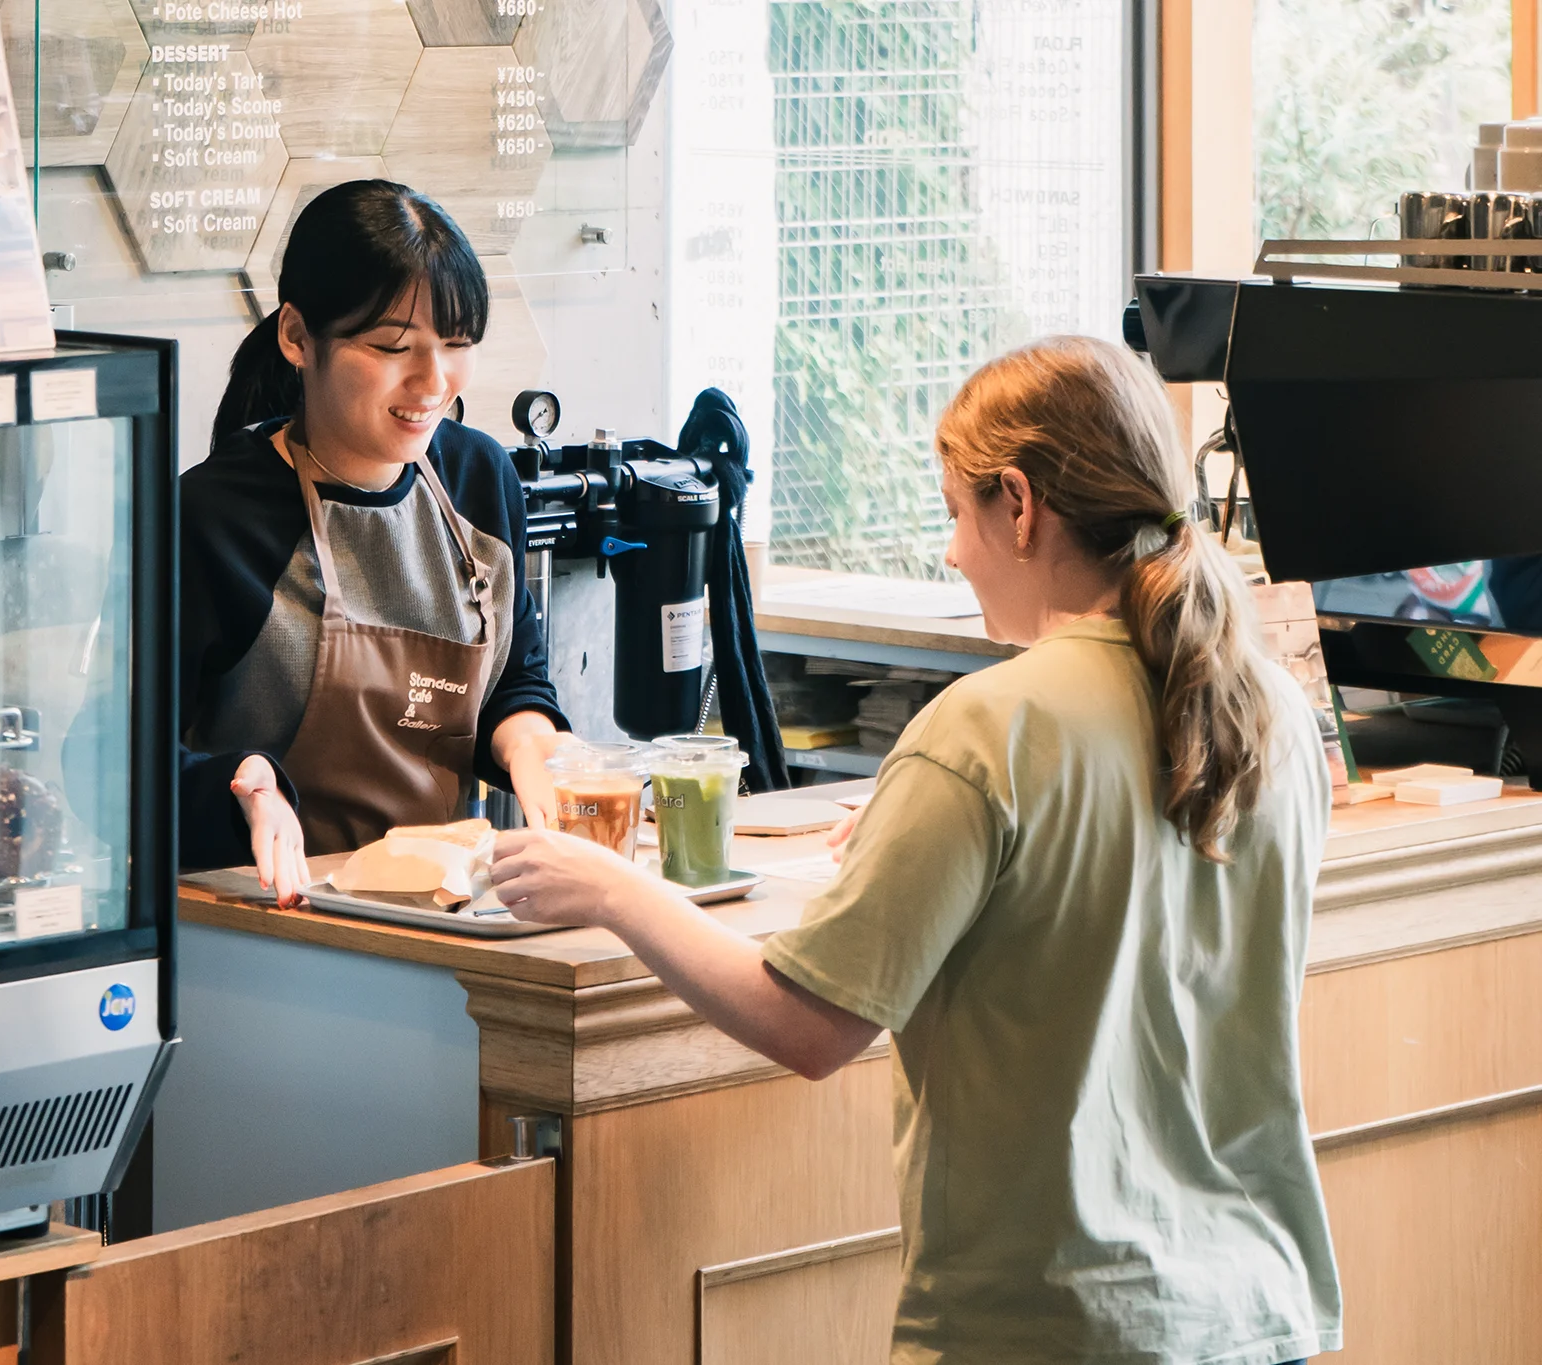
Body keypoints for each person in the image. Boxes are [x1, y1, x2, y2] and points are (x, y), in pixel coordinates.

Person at [491, 336, 1342, 1364]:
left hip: (1052, 1326)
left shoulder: (988, 727)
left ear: (1018, 505)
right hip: (1257, 1309)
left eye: (954, 512)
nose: (949, 552)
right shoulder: (1274, 715)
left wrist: (615, 889)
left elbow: (807, 1027)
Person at [181, 180, 570, 904]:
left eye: (456, 345)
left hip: (439, 910)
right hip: (266, 919)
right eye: (393, 346)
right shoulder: (215, 517)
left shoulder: (478, 478)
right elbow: (115, 760)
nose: (432, 381)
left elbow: (514, 680)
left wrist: (532, 748)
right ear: (297, 337)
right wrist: (244, 783)